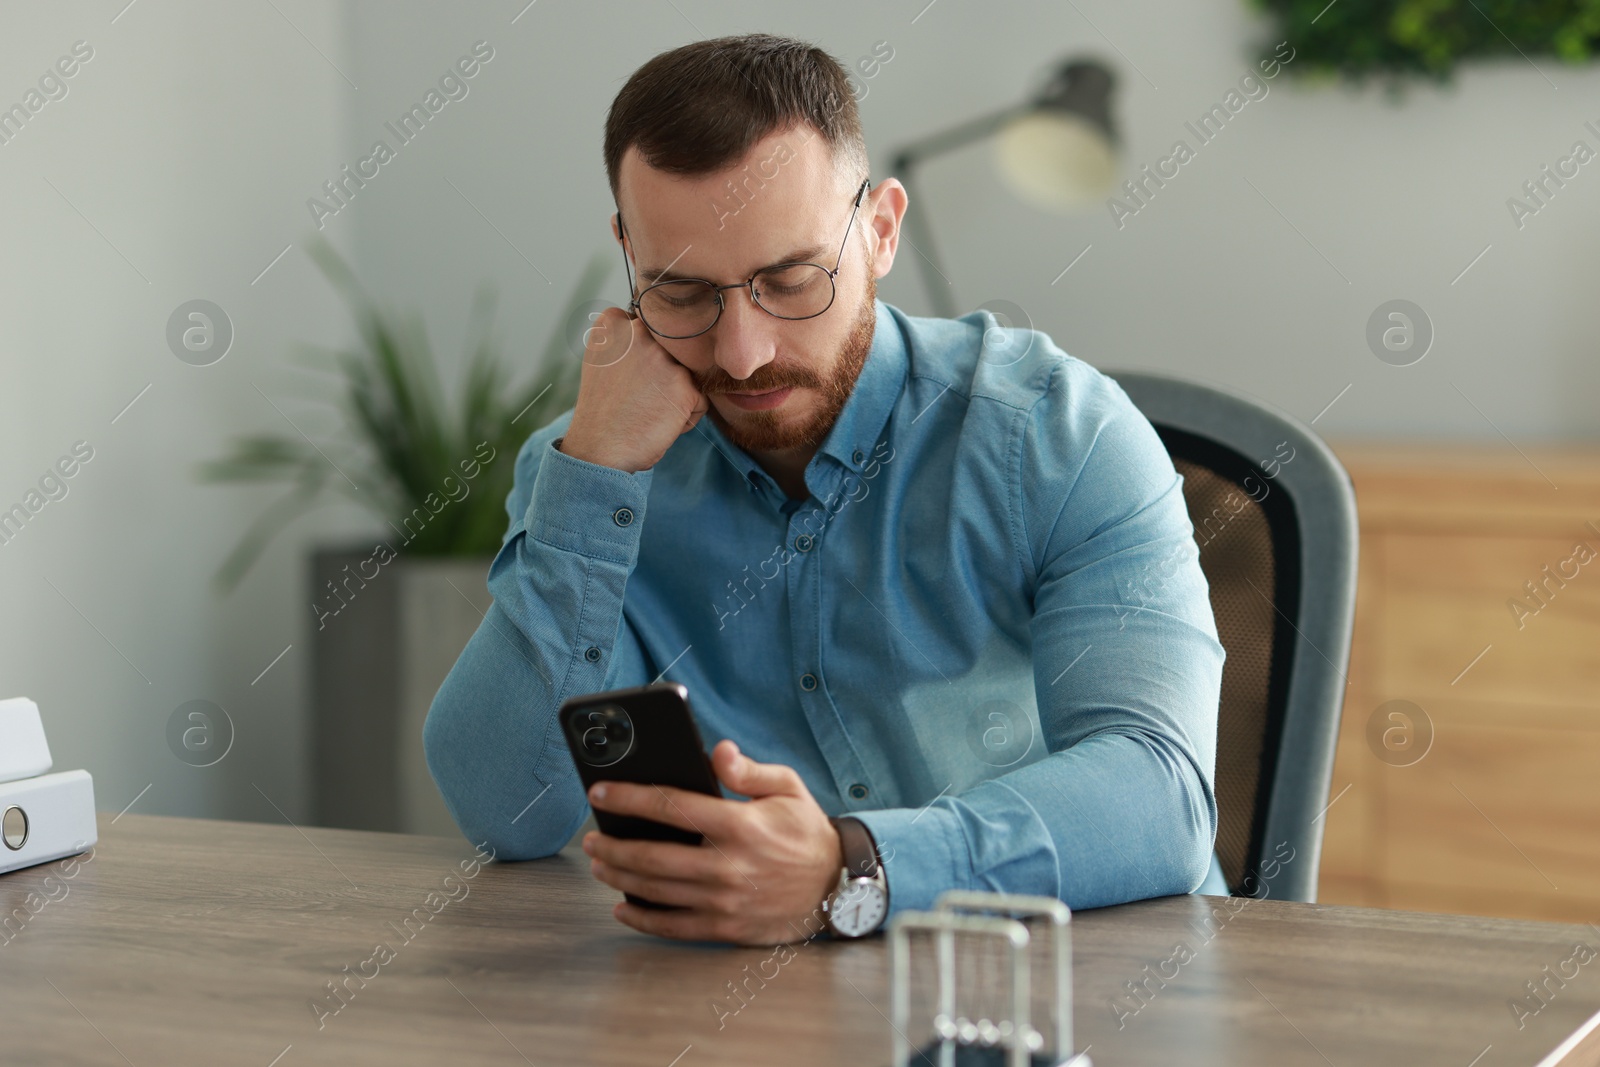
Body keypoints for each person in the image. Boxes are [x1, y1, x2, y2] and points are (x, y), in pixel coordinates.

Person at [423, 32, 1226, 946]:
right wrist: (595, 472)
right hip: (758, 1009)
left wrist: (855, 866)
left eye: (790, 280)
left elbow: (1161, 793)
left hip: (1073, 985)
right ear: (627, 252)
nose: (741, 352)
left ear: (881, 229)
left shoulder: (1059, 435)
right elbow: (505, 814)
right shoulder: (595, 474)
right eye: (681, 294)